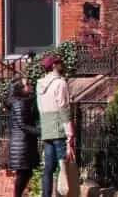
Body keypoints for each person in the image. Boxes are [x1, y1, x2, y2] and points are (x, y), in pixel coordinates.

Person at [35, 55, 74, 197]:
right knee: (62, 166)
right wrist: (69, 132)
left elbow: (40, 108)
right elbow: (63, 108)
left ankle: (46, 195)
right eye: (59, 62)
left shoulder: (39, 84)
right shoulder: (60, 83)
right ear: (53, 66)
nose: (61, 64)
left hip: (46, 129)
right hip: (58, 128)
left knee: (48, 167)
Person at [7, 78, 41, 197]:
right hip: (22, 144)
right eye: (27, 84)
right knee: (23, 174)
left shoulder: (24, 101)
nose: (30, 85)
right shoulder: (19, 103)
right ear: (20, 89)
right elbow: (22, 124)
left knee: (27, 173)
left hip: (24, 143)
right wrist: (39, 132)